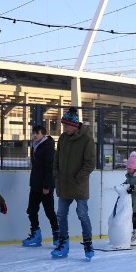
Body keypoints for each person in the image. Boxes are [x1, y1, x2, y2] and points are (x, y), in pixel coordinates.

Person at [51, 107, 96, 261]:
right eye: (63, 125)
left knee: (82, 214)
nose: (64, 128)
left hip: (79, 185)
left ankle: (88, 243)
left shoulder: (87, 140)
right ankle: (63, 244)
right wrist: (56, 173)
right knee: (61, 214)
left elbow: (90, 164)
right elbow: (56, 158)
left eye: (66, 125)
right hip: (63, 184)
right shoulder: (63, 138)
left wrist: (78, 177)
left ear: (74, 125)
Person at [22, 124, 60, 247]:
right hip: (35, 184)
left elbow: (50, 168)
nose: (34, 135)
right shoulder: (35, 146)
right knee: (31, 210)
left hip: (45, 185)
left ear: (43, 134)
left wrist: (47, 186)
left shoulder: (48, 147)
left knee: (49, 211)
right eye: (33, 133)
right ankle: (36, 234)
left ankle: (57, 234)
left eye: (36, 133)